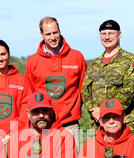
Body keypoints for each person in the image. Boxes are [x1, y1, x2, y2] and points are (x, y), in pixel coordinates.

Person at [24, 16, 87, 144]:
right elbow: (29, 94)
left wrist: (71, 109)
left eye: (55, 32)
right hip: (44, 126)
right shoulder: (33, 61)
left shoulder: (76, 57)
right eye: (48, 34)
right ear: (41, 35)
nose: (52, 37)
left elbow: (84, 89)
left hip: (70, 125)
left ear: (60, 31)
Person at [81, 19, 134, 135]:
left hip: (123, 124)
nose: (107, 37)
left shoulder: (130, 60)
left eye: (111, 33)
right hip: (98, 125)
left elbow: (129, 92)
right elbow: (85, 91)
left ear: (119, 35)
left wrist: (104, 111)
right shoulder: (94, 64)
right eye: (103, 34)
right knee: (97, 153)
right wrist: (94, 111)